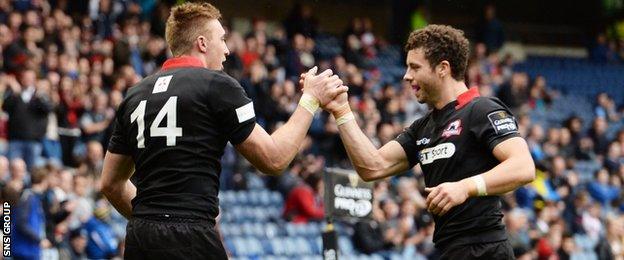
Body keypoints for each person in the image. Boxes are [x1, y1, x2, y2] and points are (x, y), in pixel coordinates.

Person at [100, 2, 346, 259]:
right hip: (192, 235)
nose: (227, 50)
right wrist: (309, 100)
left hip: (140, 238)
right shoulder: (218, 85)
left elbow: (110, 183)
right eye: (223, 39)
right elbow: (274, 159)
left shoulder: (134, 95)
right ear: (203, 43)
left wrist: (152, 218)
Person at [322, 24, 535, 259]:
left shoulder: (482, 109)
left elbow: (523, 167)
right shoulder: (422, 127)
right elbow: (372, 166)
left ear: (443, 68)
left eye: (414, 67)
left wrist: (465, 187)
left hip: (485, 248)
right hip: (448, 250)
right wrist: (342, 111)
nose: (406, 76)